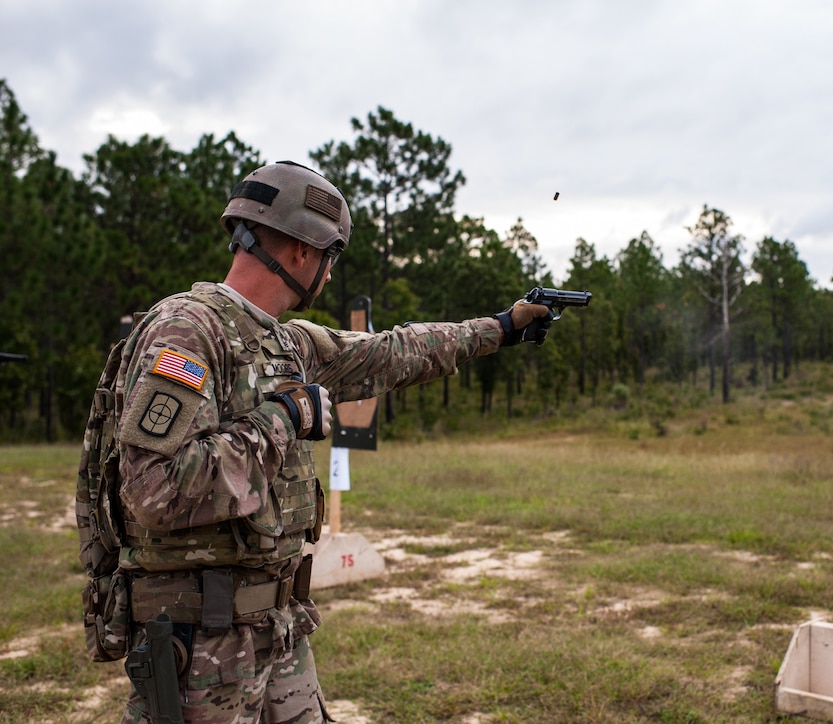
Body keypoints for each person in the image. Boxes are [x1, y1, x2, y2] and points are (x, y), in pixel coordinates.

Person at [111, 160, 550, 723]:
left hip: (279, 628)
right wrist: (283, 419)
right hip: (202, 646)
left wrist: (503, 327)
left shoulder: (287, 342)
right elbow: (153, 491)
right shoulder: (188, 333)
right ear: (301, 252)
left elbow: (393, 352)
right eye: (330, 256)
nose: (327, 272)